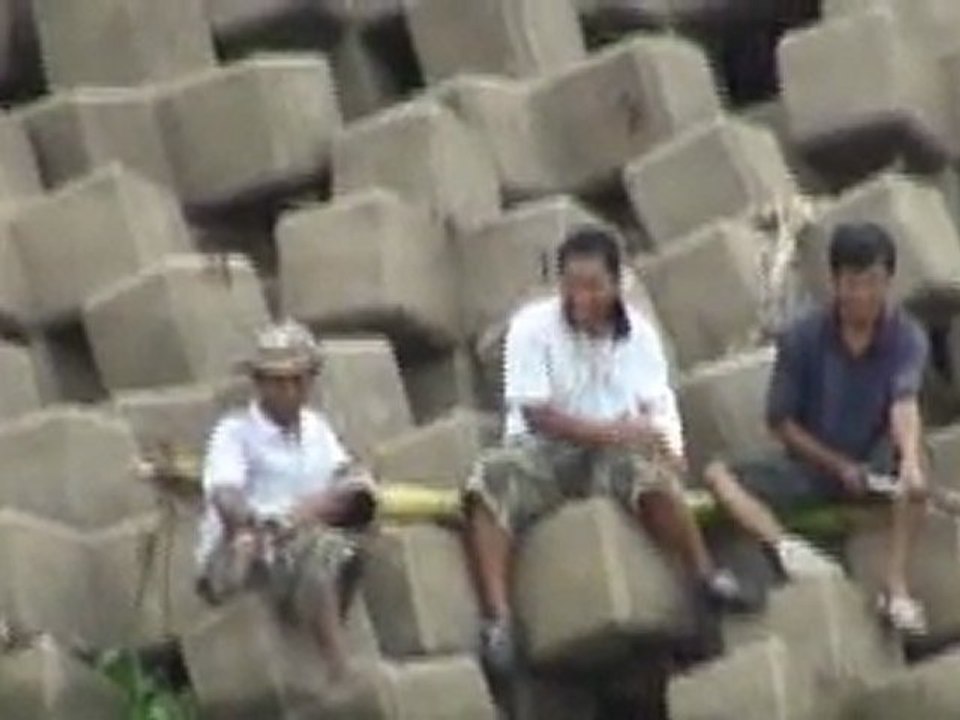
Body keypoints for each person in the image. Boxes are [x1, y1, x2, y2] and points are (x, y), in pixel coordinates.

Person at [464, 227, 752, 673]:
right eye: (571, 286)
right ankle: (498, 621)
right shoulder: (531, 327)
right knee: (489, 480)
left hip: (615, 453)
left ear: (616, 284)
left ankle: (704, 576)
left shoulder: (640, 336)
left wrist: (669, 448)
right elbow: (538, 414)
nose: (581, 297)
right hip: (544, 450)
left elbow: (658, 403)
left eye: (593, 286)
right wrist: (614, 433)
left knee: (653, 481)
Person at [703, 222, 929, 634]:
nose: (862, 295)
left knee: (916, 474)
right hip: (812, 465)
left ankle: (896, 589)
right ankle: (785, 549)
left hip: (875, 462)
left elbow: (904, 402)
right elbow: (781, 423)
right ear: (835, 281)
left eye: (873, 283)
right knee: (718, 475)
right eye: (852, 283)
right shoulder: (802, 337)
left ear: (888, 282)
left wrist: (909, 461)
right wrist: (836, 465)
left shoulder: (906, 337)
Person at [195, 319, 376, 680]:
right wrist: (252, 523)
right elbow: (225, 493)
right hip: (243, 547)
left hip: (295, 537)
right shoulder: (235, 432)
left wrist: (323, 503)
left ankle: (318, 618)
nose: (289, 390)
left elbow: (346, 474)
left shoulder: (316, 428)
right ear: (259, 383)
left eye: (298, 380)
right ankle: (338, 669)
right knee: (315, 548)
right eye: (278, 381)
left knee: (348, 541)